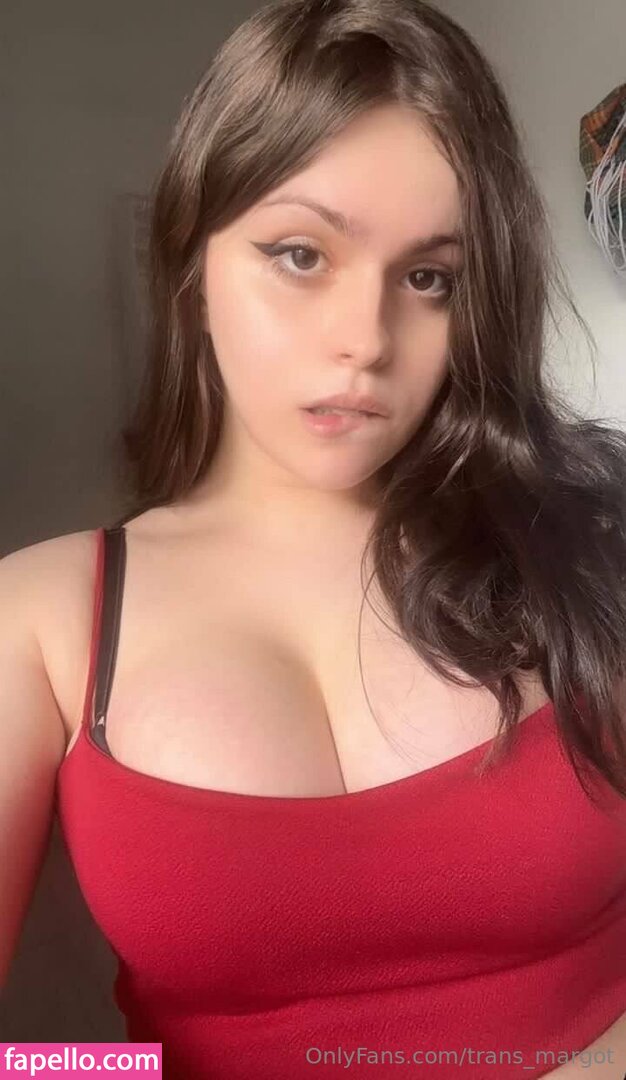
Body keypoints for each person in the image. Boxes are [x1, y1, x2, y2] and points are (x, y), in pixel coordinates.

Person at [2, 0, 626, 1076]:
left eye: (428, 278)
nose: (363, 341)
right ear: (193, 268)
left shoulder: (582, 543)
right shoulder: (45, 619)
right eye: (300, 254)